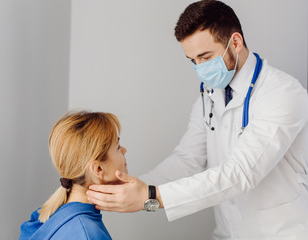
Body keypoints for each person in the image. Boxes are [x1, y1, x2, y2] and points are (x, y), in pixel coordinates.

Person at [86, 0, 308, 239]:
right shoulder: (211, 94)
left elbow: (240, 174)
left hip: (281, 233)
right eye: (193, 61)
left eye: (205, 57)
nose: (200, 69)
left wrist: (151, 197)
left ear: (235, 42)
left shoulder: (282, 93)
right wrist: (132, 186)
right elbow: (187, 160)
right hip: (228, 233)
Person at [19, 111, 128, 240]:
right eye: (117, 147)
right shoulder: (87, 233)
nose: (124, 150)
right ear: (98, 169)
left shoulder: (46, 217)